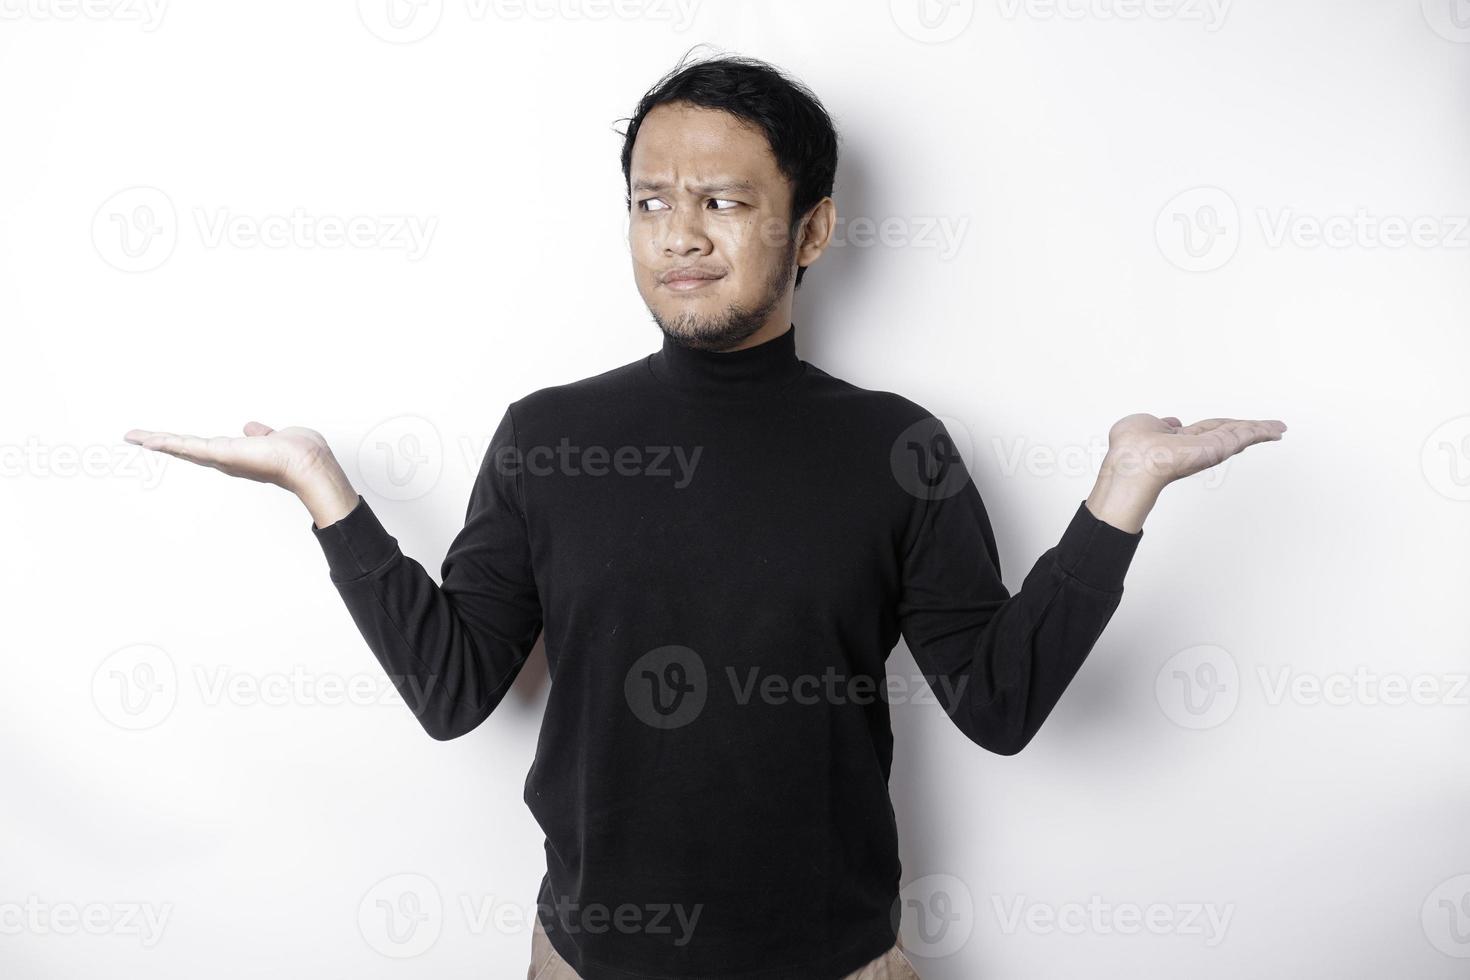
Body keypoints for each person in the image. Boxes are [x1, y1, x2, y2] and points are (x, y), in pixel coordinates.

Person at [124, 51, 1285, 980]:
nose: (680, 233)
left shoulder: (899, 444)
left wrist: (1119, 495)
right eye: (652, 202)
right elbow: (452, 689)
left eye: (724, 201)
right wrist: (323, 488)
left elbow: (999, 701)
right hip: (587, 961)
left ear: (813, 230)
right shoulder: (548, 434)